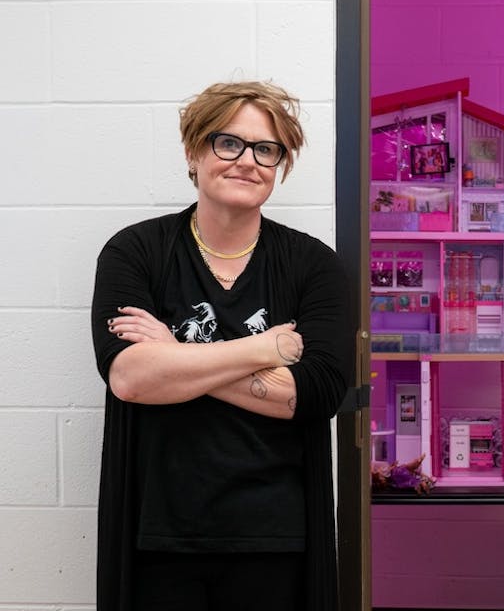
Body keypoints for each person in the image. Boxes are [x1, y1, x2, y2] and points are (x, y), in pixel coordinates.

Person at [90, 80, 353, 611]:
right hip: (157, 538)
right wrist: (267, 349)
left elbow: (318, 393)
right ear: (193, 151)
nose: (247, 161)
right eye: (227, 142)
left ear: (280, 164)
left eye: (266, 149)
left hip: (276, 539)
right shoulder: (134, 252)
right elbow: (130, 378)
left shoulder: (313, 266)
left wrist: (174, 355)